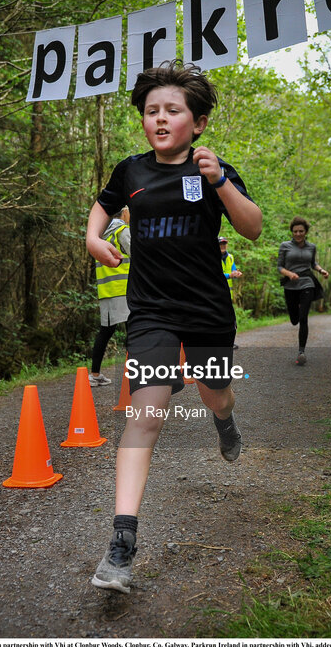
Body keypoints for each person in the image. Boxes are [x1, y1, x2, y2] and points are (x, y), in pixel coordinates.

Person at [84, 60, 262, 594]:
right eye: (150, 111)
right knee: (145, 416)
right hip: (152, 312)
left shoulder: (214, 168)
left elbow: (252, 228)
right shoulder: (130, 171)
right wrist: (95, 240)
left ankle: (226, 423)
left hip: (207, 309)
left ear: (198, 122)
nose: (159, 119)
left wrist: (222, 182)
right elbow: (100, 213)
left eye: (172, 111)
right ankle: (121, 545)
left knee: (216, 395)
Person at [277, 216, 328, 366]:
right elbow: (280, 267)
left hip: (307, 283)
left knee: (304, 318)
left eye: (301, 231)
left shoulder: (311, 247)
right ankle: (296, 314)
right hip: (290, 285)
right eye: (295, 231)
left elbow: (313, 263)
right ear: (291, 232)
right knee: (294, 319)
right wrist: (289, 274)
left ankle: (301, 352)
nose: (298, 234)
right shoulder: (284, 246)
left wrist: (321, 270)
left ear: (306, 232)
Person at [90, 207, 131, 387]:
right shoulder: (122, 231)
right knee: (134, 330)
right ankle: (136, 374)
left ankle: (95, 374)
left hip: (106, 290)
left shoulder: (98, 236)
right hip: (124, 289)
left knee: (106, 332)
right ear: (124, 212)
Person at [219, 235, 242, 349]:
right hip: (216, 293)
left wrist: (236, 274)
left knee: (231, 320)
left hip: (228, 294)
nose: (222, 246)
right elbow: (213, 274)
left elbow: (233, 270)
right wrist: (229, 275)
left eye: (224, 243)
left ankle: (230, 342)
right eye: (220, 244)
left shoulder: (230, 257)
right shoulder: (211, 257)